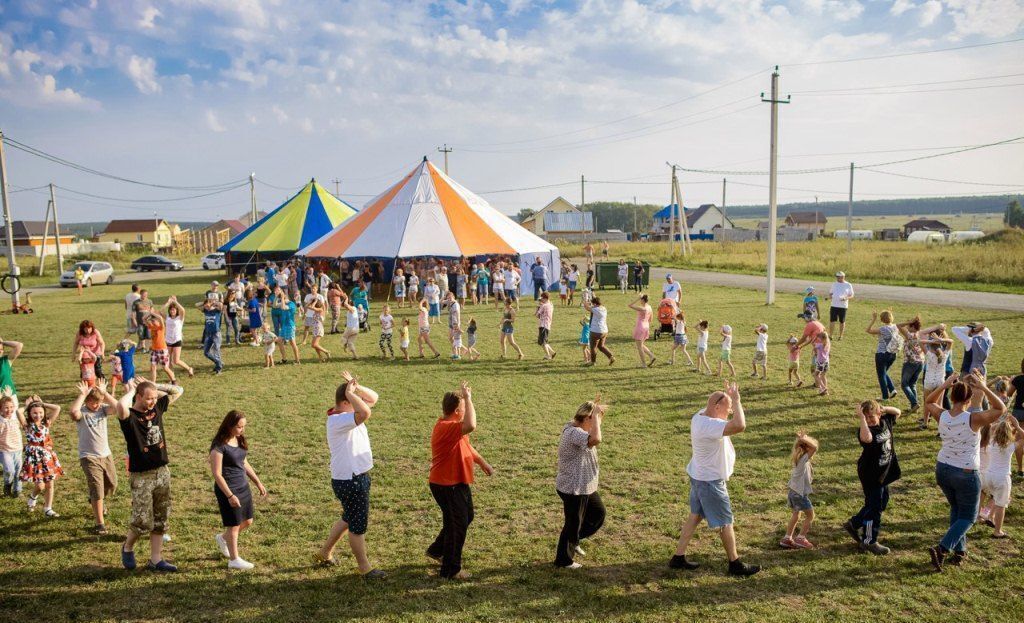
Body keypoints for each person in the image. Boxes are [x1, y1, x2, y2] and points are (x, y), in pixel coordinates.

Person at [670, 382, 760, 576]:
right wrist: (736, 401)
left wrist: (726, 398)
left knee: (695, 516)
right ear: (716, 408)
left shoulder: (700, 415)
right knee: (726, 522)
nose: (729, 413)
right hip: (709, 482)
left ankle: (678, 558)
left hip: (699, 476)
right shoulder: (709, 425)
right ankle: (735, 564)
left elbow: (716, 406)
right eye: (727, 410)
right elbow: (740, 425)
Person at [924, 372, 1005, 571]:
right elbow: (1000, 409)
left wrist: (944, 384)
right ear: (969, 400)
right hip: (966, 473)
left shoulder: (941, 415)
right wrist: (984, 387)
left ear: (952, 397)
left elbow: (929, 400)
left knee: (957, 510)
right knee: (968, 517)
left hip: (943, 469)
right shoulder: (973, 419)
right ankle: (942, 548)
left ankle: (959, 551)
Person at [314, 373, 385, 578]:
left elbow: (374, 398)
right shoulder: (339, 421)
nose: (360, 403)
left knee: (348, 517)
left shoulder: (345, 414)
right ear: (346, 402)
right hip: (352, 480)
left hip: (350, 478)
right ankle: (364, 568)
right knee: (357, 525)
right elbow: (365, 412)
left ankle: (324, 553)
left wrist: (357, 388)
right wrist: (352, 394)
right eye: (353, 400)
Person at [427, 381, 493, 579]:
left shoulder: (454, 428)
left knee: (464, 518)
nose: (467, 410)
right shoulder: (447, 427)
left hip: (456, 483)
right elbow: (471, 425)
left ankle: (437, 550)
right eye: (464, 408)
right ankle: (451, 569)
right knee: (457, 524)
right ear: (457, 411)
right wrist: (469, 398)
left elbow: (467, 446)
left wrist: (482, 463)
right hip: (447, 485)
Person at [117, 379, 185, 572]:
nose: (153, 401)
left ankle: (156, 560)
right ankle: (127, 547)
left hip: (162, 471)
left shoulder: (157, 409)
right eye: (148, 398)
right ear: (138, 397)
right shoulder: (129, 417)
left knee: (160, 518)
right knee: (142, 521)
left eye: (155, 398)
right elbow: (121, 405)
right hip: (141, 475)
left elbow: (178, 390)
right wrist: (131, 391)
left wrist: (154, 385)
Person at [843, 400, 902, 555]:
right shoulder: (865, 430)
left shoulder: (885, 421)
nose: (869, 421)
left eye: (871, 417)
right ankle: (869, 541)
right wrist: (862, 419)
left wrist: (884, 408)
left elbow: (898, 412)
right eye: (866, 418)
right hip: (870, 474)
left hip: (883, 474)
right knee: (874, 507)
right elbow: (867, 439)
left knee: (881, 503)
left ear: (879, 414)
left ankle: (854, 523)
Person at [210, 410, 267, 571]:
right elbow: (217, 474)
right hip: (228, 489)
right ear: (229, 426)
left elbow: (244, 462)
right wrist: (229, 495)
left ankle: (223, 538)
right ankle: (234, 560)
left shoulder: (239, 439)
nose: (242, 430)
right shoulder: (219, 447)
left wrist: (258, 482)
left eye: (244, 426)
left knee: (247, 521)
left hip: (242, 486)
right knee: (233, 525)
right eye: (239, 427)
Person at [555, 396, 606, 569]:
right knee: (572, 523)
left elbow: (593, 433)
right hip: (574, 488)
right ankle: (564, 560)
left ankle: (574, 539)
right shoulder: (574, 433)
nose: (597, 424)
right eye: (594, 420)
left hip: (584, 487)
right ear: (585, 419)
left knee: (598, 514)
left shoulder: (579, 427)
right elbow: (596, 439)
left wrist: (595, 411)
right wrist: (594, 417)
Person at [69, 379, 119, 534]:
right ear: (86, 401)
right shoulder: (82, 412)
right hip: (89, 457)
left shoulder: (103, 409)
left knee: (112, 484)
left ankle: (95, 499)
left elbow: (118, 407)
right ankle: (99, 524)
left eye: (98, 402)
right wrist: (82, 395)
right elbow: (73, 412)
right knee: (97, 489)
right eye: (92, 402)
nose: (95, 405)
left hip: (106, 454)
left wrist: (104, 393)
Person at [19, 395, 64, 517]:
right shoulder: (27, 426)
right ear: (29, 413)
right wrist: (28, 406)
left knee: (50, 484)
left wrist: (41, 403)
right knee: (40, 486)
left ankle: (48, 508)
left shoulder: (47, 423)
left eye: (40, 412)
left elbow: (57, 408)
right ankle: (32, 497)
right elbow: (19, 411)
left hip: (47, 457)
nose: (38, 415)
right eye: (34, 413)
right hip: (34, 459)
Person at [980, 415, 1021, 538]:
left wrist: (1002, 422)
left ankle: (988, 515)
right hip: (1002, 478)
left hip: (989, 476)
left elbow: (991, 429)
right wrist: (1017, 426)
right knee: (1001, 505)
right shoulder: (1011, 446)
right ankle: (998, 531)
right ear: (1010, 433)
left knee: (996, 497)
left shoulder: (992, 443)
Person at [780, 432, 818, 549]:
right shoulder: (803, 460)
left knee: (796, 514)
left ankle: (787, 538)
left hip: (792, 492)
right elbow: (815, 447)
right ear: (807, 448)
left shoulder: (799, 459)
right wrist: (804, 439)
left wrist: (803, 440)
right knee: (810, 516)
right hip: (799, 494)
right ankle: (801, 538)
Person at [921, 327, 954, 428]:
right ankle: (940, 428)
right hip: (940, 382)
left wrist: (932, 340)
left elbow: (920, 341)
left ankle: (925, 423)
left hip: (929, 382)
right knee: (939, 406)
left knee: (927, 403)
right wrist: (940, 340)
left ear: (930, 346)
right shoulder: (944, 355)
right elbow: (951, 341)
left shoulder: (929, 355)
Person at [867, 311, 902, 401]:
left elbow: (868, 330)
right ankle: (892, 389)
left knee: (881, 375)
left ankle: (885, 396)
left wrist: (873, 319)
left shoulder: (883, 329)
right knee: (884, 372)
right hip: (892, 354)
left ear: (882, 319)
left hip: (882, 354)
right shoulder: (895, 327)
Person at [162, 297, 194, 379]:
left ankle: (189, 368)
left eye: (174, 310)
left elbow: (183, 310)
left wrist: (176, 302)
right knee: (168, 361)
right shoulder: (168, 318)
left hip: (177, 340)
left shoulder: (180, 318)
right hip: (168, 341)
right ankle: (172, 378)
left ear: (176, 311)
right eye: (171, 310)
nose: (172, 311)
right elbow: (160, 311)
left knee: (176, 360)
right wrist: (168, 303)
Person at [144, 309, 176, 384]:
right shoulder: (151, 327)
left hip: (162, 350)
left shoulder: (161, 328)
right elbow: (144, 319)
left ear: (158, 322)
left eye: (154, 321)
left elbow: (161, 318)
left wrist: (153, 313)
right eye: (152, 321)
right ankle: (153, 383)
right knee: (153, 367)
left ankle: (174, 380)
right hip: (154, 350)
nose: (152, 322)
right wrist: (150, 313)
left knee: (165, 368)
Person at [1, 394, 23, 498]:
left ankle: (17, 490)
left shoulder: (15, 419)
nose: (9, 409)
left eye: (11, 407)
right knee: (10, 471)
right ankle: (7, 485)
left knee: (19, 471)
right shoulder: (1, 421)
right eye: (6, 407)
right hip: (4, 450)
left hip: (18, 449)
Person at [195, 298, 225, 374]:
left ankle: (219, 368)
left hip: (216, 334)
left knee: (216, 350)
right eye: (205, 305)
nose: (205, 306)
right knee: (206, 353)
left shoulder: (217, 311)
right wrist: (204, 303)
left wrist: (213, 303)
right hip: (208, 334)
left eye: (207, 305)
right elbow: (196, 305)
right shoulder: (206, 311)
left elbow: (221, 305)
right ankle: (218, 362)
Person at [584, 297, 614, 366]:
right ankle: (611, 356)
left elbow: (587, 307)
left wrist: (586, 301)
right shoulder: (604, 308)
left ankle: (593, 362)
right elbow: (592, 307)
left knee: (593, 347)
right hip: (604, 331)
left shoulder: (595, 309)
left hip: (596, 331)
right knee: (601, 346)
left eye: (593, 304)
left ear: (595, 304)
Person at [628, 294, 655, 368]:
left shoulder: (642, 308)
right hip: (646, 327)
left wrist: (637, 298)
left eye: (640, 299)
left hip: (640, 327)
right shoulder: (649, 307)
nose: (640, 300)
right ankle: (651, 356)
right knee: (641, 345)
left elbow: (630, 305)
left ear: (643, 300)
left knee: (639, 347)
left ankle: (644, 364)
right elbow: (651, 319)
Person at [275, 289, 301, 365]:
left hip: (290, 326)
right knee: (279, 341)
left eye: (282, 297)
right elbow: (275, 305)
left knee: (292, 343)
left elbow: (283, 307)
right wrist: (277, 297)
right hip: (284, 326)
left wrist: (282, 297)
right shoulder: (282, 302)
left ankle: (297, 360)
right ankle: (284, 359)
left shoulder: (291, 304)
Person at [1008, 359, 1024, 477]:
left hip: (1018, 411)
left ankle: (1020, 469)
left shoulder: (1018, 379)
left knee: (1019, 440)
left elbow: (1009, 393)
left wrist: (1011, 382)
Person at [828, 271, 854, 340]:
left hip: (843, 306)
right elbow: (830, 293)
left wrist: (846, 298)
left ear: (843, 277)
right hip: (834, 305)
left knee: (842, 321)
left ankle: (840, 336)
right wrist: (830, 296)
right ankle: (830, 335)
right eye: (837, 277)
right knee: (832, 320)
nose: (837, 278)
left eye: (839, 277)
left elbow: (851, 295)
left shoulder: (848, 285)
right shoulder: (834, 284)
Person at [536, 292, 556, 360]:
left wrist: (538, 307)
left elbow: (537, 315)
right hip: (548, 325)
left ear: (545, 298)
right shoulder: (551, 304)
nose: (541, 300)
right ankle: (552, 353)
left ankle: (548, 355)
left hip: (543, 325)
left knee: (542, 342)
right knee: (544, 341)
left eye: (542, 299)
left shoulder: (543, 306)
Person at [812, 332, 831, 396]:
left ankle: (823, 388)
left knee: (816, 375)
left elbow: (813, 344)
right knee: (823, 375)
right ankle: (825, 391)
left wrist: (815, 338)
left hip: (820, 362)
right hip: (826, 362)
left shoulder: (819, 345)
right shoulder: (828, 343)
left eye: (819, 338)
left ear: (821, 338)